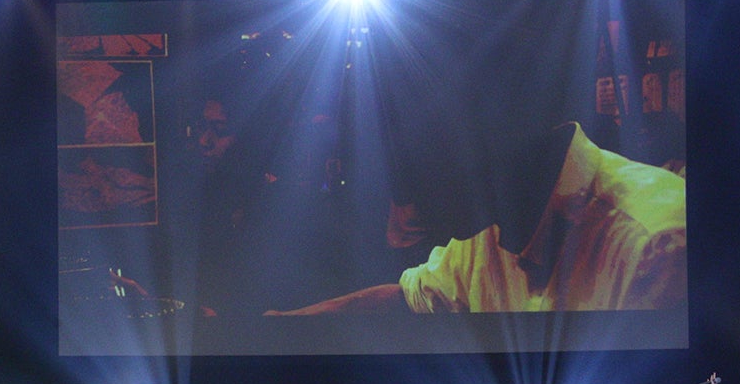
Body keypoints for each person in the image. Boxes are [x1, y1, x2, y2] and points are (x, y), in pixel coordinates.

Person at [266, 121, 685, 314]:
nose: (400, 221)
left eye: (410, 175)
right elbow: (405, 297)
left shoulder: (655, 245)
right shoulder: (485, 222)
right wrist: (284, 327)